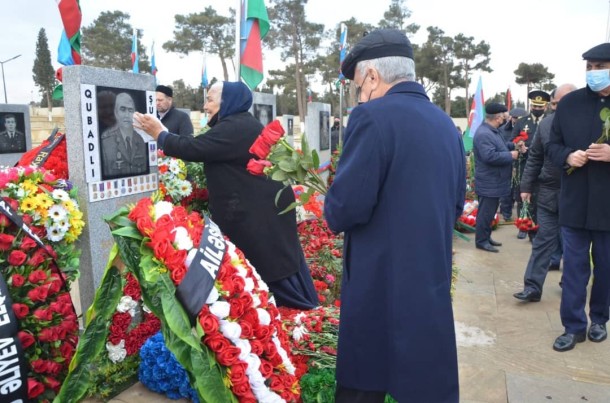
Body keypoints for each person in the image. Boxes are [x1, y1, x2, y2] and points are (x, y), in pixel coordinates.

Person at [324, 29, 465, 403]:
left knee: (364, 379)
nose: (360, 94)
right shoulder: (445, 125)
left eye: (358, 85)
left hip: (380, 281)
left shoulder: (372, 117)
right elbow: (455, 204)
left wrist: (332, 200)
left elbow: (345, 210)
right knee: (423, 379)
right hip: (429, 276)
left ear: (372, 76)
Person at [134, 81, 319, 310]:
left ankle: (299, 323)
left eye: (210, 100)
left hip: (257, 219)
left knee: (277, 281)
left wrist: (160, 133)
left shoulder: (236, 126)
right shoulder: (238, 123)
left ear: (227, 102)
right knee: (274, 272)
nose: (205, 106)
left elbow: (193, 148)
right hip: (260, 215)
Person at [547, 43, 610, 352]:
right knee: (573, 269)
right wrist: (567, 156)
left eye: (601, 67)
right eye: (590, 67)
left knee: (606, 267)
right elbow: (552, 146)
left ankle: (599, 318)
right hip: (575, 202)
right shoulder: (569, 104)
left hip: (608, 208)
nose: (594, 73)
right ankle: (573, 327)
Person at [513, 83, 577, 303]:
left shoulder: (587, 123)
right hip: (548, 192)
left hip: (577, 194)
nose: (558, 107)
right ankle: (532, 287)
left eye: (563, 102)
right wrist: (526, 187)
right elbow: (535, 158)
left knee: (573, 245)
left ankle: (569, 283)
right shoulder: (546, 124)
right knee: (542, 241)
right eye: (555, 103)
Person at [473, 103, 520, 253]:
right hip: (489, 181)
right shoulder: (484, 133)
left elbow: (500, 145)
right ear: (498, 117)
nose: (505, 118)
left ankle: (486, 237)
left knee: (490, 212)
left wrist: (513, 145)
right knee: (485, 213)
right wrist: (510, 155)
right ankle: (481, 241)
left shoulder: (493, 131)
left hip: (495, 180)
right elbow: (489, 156)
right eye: (504, 116)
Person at [512, 90, 551, 239]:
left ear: (545, 107)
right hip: (524, 164)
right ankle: (524, 225)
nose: (537, 108)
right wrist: (518, 145)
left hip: (544, 165)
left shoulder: (550, 120)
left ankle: (539, 226)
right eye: (534, 105)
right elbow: (511, 140)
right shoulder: (522, 122)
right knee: (524, 194)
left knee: (541, 196)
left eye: (540, 106)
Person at [100, 92, 148, 179]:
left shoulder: (141, 139)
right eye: (122, 109)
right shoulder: (106, 141)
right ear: (116, 112)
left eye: (130, 110)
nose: (127, 115)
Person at [499, 107, 528, 221]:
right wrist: (513, 146)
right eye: (515, 118)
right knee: (507, 189)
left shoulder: (527, 128)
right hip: (508, 162)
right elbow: (501, 145)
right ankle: (506, 213)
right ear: (511, 117)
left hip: (523, 163)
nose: (517, 120)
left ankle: (523, 216)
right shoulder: (502, 130)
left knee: (522, 189)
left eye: (520, 118)